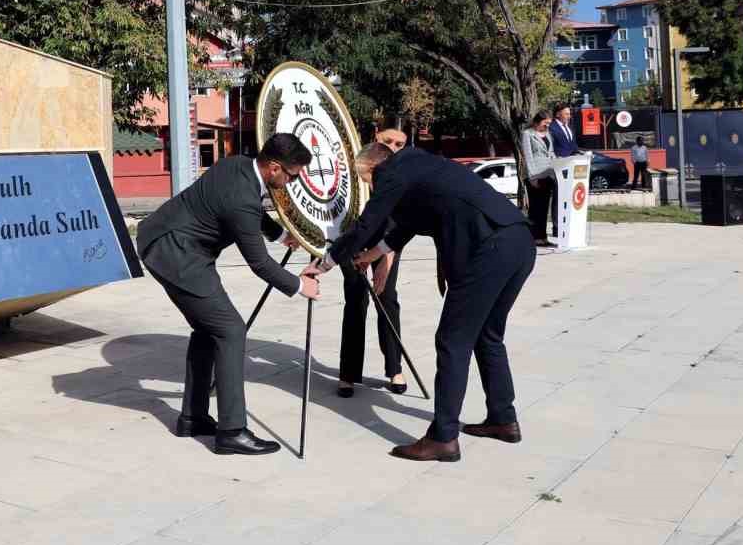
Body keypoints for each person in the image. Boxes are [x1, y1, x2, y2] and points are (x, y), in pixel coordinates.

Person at [304, 142, 536, 462]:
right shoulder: (423, 168)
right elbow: (405, 227)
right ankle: (503, 419)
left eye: (368, 180)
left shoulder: (392, 172)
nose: (372, 188)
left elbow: (366, 224)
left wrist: (325, 262)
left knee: (453, 340)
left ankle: (443, 438)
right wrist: (372, 255)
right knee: (488, 335)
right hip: (519, 240)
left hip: (488, 248)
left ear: (374, 168)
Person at [134, 134, 322, 456]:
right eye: (291, 175)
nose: (293, 182)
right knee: (230, 329)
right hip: (176, 253)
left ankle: (192, 418)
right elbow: (260, 264)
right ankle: (232, 431)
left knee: (209, 329)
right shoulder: (243, 198)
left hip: (169, 244)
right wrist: (301, 286)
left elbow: (249, 217)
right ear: (274, 168)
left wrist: (280, 235)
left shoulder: (238, 166)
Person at [337, 129, 409, 398]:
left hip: (388, 244)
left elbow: (401, 223)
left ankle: (394, 368)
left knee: (387, 298)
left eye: (400, 144)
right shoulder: (357, 166)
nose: (393, 147)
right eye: (388, 141)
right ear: (376, 138)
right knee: (355, 300)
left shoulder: (401, 175)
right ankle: (348, 373)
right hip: (352, 242)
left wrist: (384, 257)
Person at [522, 110, 556, 247]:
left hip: (547, 174)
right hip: (535, 175)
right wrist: (532, 177)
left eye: (549, 124)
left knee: (544, 208)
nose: (547, 126)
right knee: (535, 208)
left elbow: (551, 152)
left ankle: (543, 237)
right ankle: (534, 237)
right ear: (537, 121)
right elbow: (528, 156)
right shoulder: (528, 134)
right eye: (545, 123)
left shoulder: (548, 134)